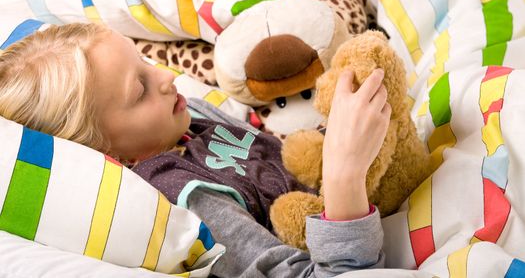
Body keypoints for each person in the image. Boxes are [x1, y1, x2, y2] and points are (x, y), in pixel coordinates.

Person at [0, 23, 391, 277]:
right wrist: (345, 176)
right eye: (139, 89)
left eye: (145, 62)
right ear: (110, 155)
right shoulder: (185, 199)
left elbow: (276, 151)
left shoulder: (184, 117)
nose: (167, 78)